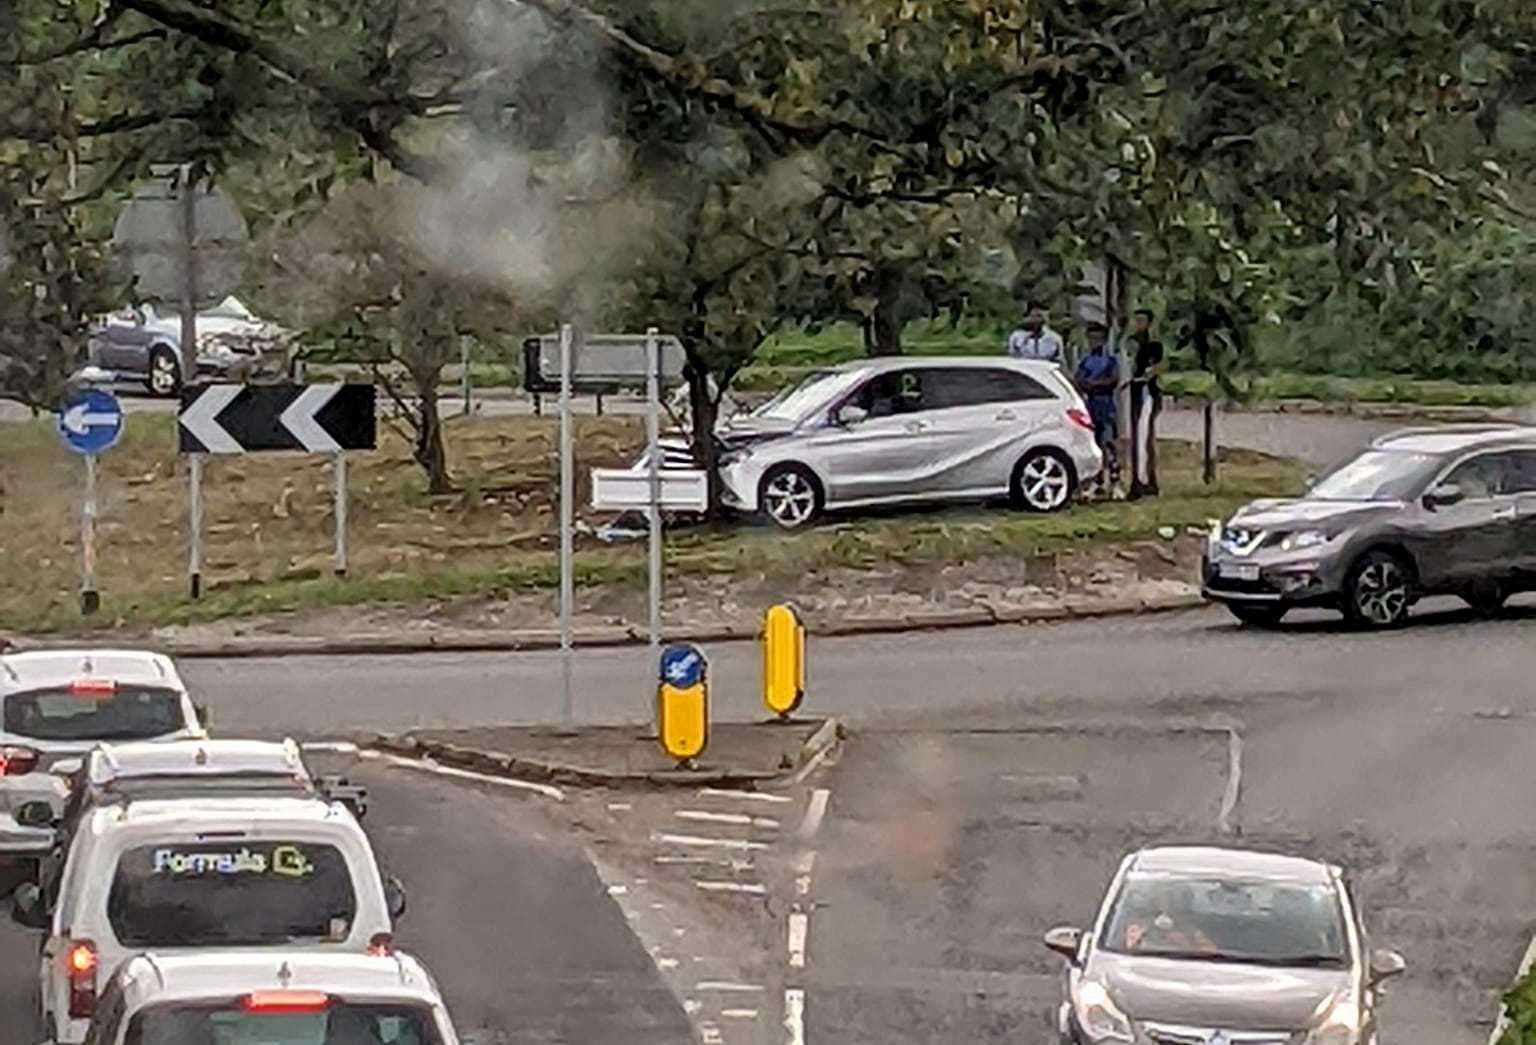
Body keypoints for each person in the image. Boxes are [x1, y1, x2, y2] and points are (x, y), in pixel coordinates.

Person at [1074, 322, 1120, 495]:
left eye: (1097, 338)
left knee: (1109, 442)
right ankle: (1097, 480)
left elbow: (1113, 380)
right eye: (1091, 338)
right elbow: (1078, 380)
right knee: (1094, 444)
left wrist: (1093, 384)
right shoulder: (1085, 360)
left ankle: (1115, 481)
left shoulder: (1110, 360)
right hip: (1090, 404)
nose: (1094, 342)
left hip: (1105, 403)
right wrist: (1090, 385)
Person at [1127, 308, 1165, 499]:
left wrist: (1149, 374)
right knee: (1137, 437)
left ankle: (1145, 480)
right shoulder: (1131, 342)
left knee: (1145, 436)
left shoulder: (1155, 345)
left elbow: (1159, 367)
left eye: (1142, 320)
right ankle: (1139, 478)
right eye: (1136, 320)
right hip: (1134, 391)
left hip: (1148, 392)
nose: (1138, 324)